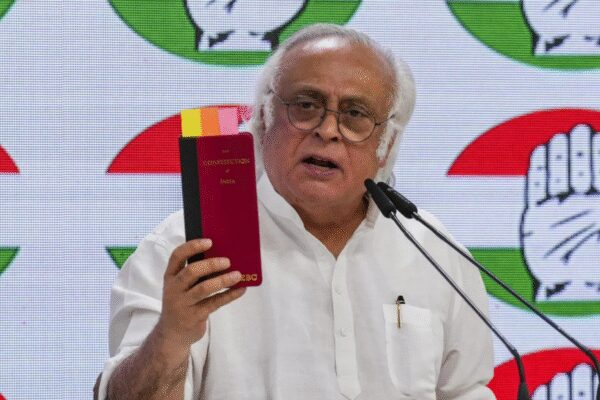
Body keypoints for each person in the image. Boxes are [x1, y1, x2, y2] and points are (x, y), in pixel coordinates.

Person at [96, 24, 495, 400]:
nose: (327, 130)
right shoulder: (185, 248)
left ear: (386, 145)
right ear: (264, 119)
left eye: (355, 114)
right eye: (306, 105)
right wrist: (172, 336)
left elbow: (466, 391)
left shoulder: (434, 253)